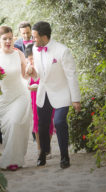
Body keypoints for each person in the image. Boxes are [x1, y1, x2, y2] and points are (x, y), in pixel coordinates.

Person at [27, 21, 81, 169]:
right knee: (43, 127)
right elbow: (39, 75)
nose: (33, 40)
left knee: (58, 122)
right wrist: (33, 73)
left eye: (35, 37)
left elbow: (71, 76)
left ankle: (65, 156)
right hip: (43, 93)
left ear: (44, 37)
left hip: (61, 92)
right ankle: (42, 153)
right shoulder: (36, 50)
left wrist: (76, 99)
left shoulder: (63, 51)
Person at [0, 25, 32, 171]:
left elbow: (25, 74)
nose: (8, 41)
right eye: (4, 39)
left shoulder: (18, 54)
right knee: (7, 131)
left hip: (20, 95)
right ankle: (15, 160)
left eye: (10, 38)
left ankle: (10, 161)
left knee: (15, 123)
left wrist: (31, 70)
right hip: (3, 99)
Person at [25, 44, 55, 156]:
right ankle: (39, 148)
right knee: (37, 121)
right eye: (30, 58)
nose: (33, 60)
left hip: (49, 96)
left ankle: (47, 147)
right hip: (35, 97)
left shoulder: (45, 65)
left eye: (34, 58)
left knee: (50, 121)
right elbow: (26, 83)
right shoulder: (29, 67)